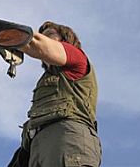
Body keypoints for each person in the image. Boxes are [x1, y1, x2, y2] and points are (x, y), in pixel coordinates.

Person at [9, 21, 101, 167]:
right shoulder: (44, 81)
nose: (44, 39)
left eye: (50, 35)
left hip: (67, 140)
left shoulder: (77, 59)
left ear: (66, 40)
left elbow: (34, 43)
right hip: (37, 148)